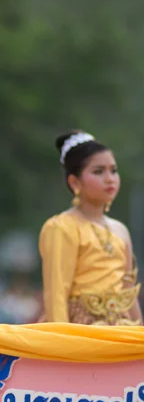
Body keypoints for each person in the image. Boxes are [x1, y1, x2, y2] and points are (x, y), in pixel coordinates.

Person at [39, 130, 142, 325]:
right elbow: (56, 294)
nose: (110, 178)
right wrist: (62, 344)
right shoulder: (61, 227)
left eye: (113, 170)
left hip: (122, 328)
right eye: (98, 171)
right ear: (74, 181)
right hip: (81, 328)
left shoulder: (120, 230)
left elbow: (128, 292)